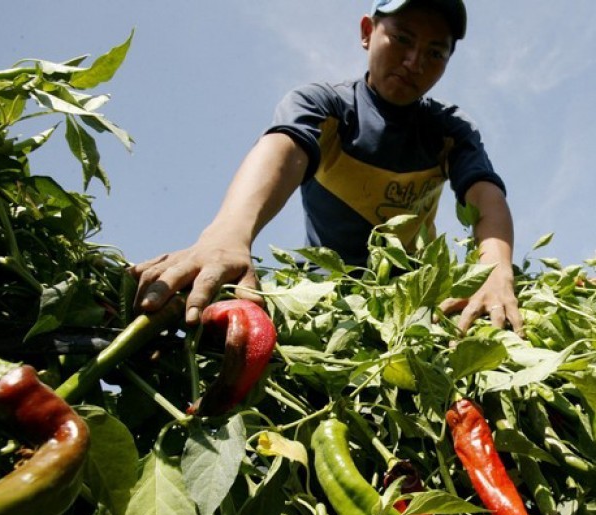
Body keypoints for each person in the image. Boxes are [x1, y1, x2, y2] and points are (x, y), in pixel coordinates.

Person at [132, 0, 523, 336]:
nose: (414, 61)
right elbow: (282, 152)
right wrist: (228, 235)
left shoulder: (449, 129)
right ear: (368, 32)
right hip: (325, 292)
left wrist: (494, 267)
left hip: (412, 298)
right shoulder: (326, 105)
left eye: (435, 52)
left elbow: (484, 195)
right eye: (403, 39)